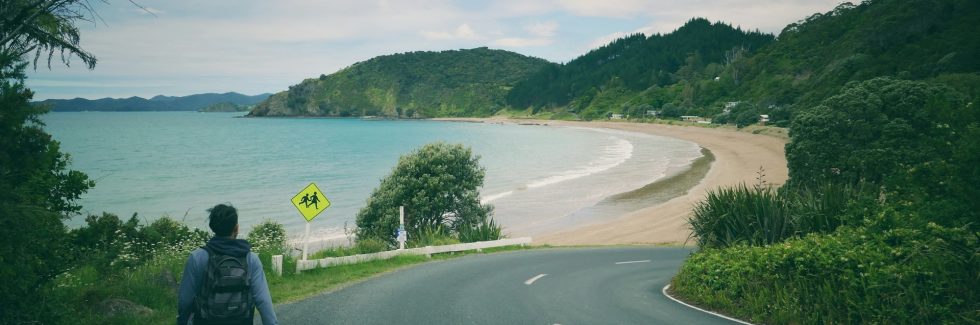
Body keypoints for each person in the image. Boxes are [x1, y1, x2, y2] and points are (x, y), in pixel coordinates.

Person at [177, 204, 278, 325]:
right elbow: (263, 301)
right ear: (236, 228)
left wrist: (182, 321)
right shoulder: (250, 259)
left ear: (212, 227)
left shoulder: (198, 258)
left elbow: (185, 301)